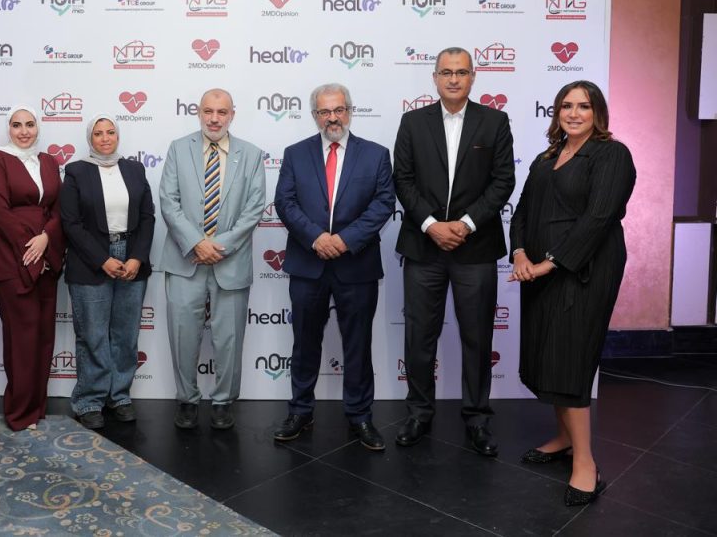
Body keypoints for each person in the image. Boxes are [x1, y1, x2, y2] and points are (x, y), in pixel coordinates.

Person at [509, 81, 635, 506]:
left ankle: (585, 463)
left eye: (584, 106)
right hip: (540, 271)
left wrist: (550, 263)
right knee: (548, 355)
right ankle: (564, 437)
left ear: (597, 112)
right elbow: (522, 212)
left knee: (570, 359)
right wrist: (520, 254)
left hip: (586, 270)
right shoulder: (547, 158)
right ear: (557, 112)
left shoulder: (612, 154)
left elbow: (599, 218)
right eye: (567, 105)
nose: (574, 113)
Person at [393, 46, 515, 456]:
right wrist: (431, 225)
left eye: (461, 72)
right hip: (423, 246)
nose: (453, 79)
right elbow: (402, 179)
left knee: (477, 337)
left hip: (474, 247)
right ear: (435, 78)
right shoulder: (413, 122)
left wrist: (465, 224)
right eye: (446, 72)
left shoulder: (494, 122)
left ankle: (477, 418)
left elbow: (503, 180)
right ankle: (418, 413)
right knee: (419, 337)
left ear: (473, 77)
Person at [272, 83, 394, 450]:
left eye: (339, 110)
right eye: (324, 112)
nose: (332, 118)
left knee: (358, 345)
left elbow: (383, 203)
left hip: (356, 265)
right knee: (304, 343)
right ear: (315, 116)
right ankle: (300, 411)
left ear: (350, 111)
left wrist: (344, 239)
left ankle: (360, 415)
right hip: (307, 264)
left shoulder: (375, 154)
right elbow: (285, 202)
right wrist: (316, 238)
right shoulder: (295, 154)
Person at [159, 89, 266, 430]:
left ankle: (222, 401)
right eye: (208, 111)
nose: (214, 118)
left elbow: (254, 209)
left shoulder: (251, 154)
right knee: (182, 334)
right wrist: (196, 243)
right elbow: (169, 201)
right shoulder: (178, 148)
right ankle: (187, 399)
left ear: (232, 114)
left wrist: (218, 246)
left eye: (222, 112)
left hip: (229, 261)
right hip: (185, 260)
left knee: (230, 338)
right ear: (198, 112)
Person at [61, 115, 155, 430]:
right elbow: (71, 223)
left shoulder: (134, 169)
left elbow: (147, 217)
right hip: (91, 261)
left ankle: (120, 396)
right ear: (90, 138)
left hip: (131, 259)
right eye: (98, 133)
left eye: (110, 132)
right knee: (93, 334)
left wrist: (137, 257)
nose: (105, 138)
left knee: (126, 334)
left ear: (118, 136)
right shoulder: (76, 171)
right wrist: (102, 259)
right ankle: (89, 401)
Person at [0, 106, 64, 431]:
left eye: (30, 124)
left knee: (44, 337)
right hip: (12, 258)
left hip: (47, 256)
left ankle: (37, 407)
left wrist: (46, 240)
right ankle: (19, 413)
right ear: (9, 128)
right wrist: (31, 249)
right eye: (17, 125)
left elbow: (58, 208)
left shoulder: (49, 161)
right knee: (21, 339)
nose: (24, 131)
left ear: (37, 128)